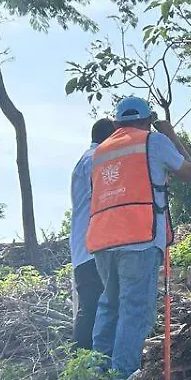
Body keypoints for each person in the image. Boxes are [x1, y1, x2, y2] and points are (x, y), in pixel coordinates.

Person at [87, 96, 191, 380]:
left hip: (102, 240)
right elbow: (188, 172)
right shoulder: (154, 141)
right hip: (140, 237)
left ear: (116, 122)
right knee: (134, 309)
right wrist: (171, 134)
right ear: (148, 120)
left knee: (109, 306)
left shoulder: (99, 152)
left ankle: (97, 375)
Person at [68, 118, 115, 351]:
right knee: (93, 306)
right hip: (93, 248)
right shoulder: (97, 159)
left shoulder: (86, 159)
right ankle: (83, 363)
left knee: (92, 305)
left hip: (85, 247)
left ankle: (87, 365)